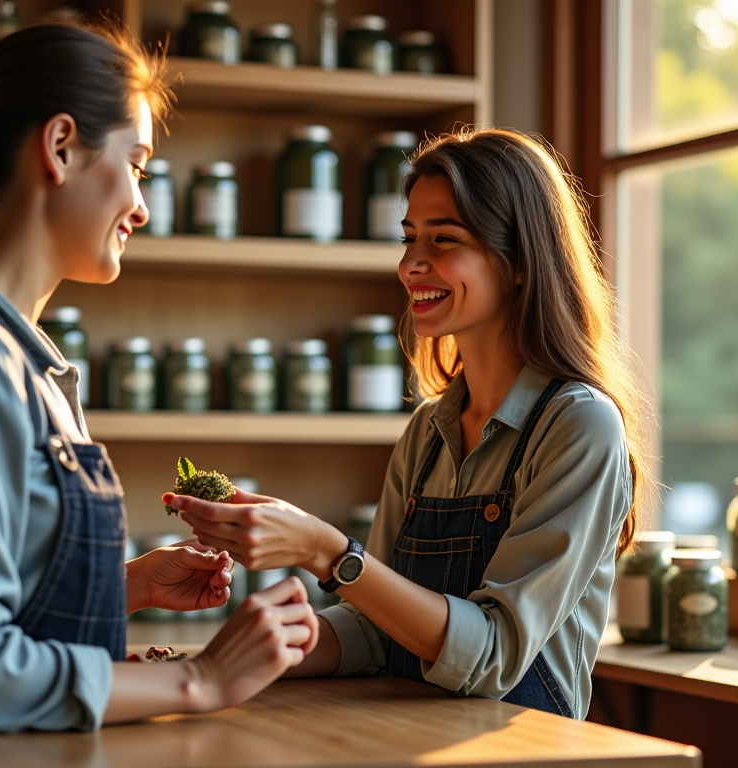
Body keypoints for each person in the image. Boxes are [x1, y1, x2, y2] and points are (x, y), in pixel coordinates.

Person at [0, 21, 319, 745]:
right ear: (60, 147)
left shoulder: (16, 357)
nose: (142, 206)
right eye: (137, 165)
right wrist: (201, 679)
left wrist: (120, 588)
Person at [171, 128, 652, 720]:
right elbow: (377, 627)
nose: (410, 266)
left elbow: (495, 655)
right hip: (403, 731)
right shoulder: (430, 430)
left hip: (519, 752)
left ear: (522, 262)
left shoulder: (579, 425)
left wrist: (329, 553)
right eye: (408, 239)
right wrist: (231, 661)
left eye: (443, 240)